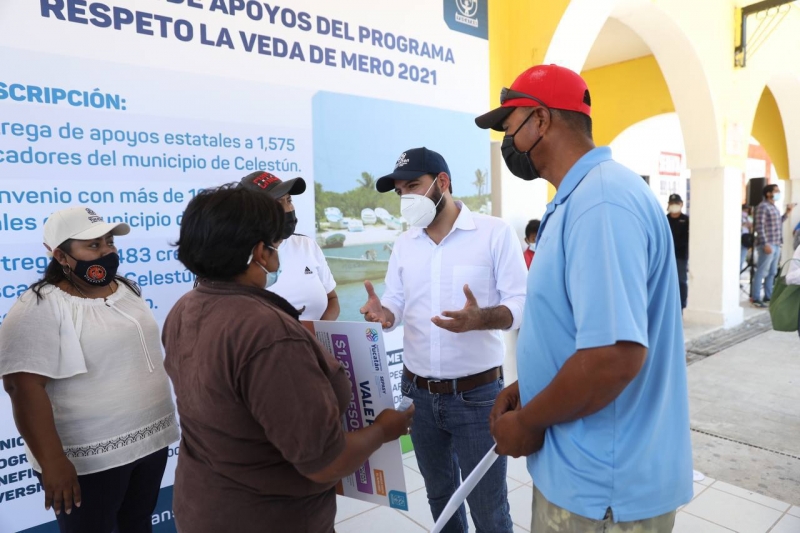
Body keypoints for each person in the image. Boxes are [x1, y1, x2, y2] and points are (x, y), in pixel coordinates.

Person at [476, 64, 691, 532]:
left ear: (541, 120)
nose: (506, 142)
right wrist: (529, 387)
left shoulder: (601, 203)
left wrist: (530, 420)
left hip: (604, 491)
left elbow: (613, 357)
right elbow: (578, 332)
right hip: (586, 473)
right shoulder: (580, 199)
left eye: (508, 127)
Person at [161, 184, 413, 533]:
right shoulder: (268, 334)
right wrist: (384, 430)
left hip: (204, 505)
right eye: (273, 242)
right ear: (261, 254)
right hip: (268, 516)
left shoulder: (185, 308)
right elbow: (324, 462)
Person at [360, 147, 527, 533]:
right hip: (417, 395)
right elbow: (397, 301)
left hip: (477, 396)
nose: (407, 199)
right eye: (400, 192)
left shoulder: (494, 233)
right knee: (441, 498)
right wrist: (385, 313)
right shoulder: (405, 244)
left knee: (488, 506)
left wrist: (482, 318)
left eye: (414, 186)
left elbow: (521, 303)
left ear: (442, 183)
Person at [0, 206, 179, 533]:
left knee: (137, 526)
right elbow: (22, 387)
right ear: (61, 255)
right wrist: (53, 462)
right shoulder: (39, 306)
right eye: (93, 245)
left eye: (109, 241)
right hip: (89, 461)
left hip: (150, 442)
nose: (107, 251)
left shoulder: (125, 290)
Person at [238, 171, 339, 320]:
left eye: (289, 200)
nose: (289, 209)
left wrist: (316, 337)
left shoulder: (307, 245)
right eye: (279, 202)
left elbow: (332, 299)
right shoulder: (237, 259)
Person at [752, 184, 794, 307]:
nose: (778, 193)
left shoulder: (774, 207)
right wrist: (765, 244)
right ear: (768, 193)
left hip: (776, 243)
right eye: (776, 191)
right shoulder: (763, 207)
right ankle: (755, 298)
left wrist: (787, 213)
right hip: (768, 244)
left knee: (772, 272)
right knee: (762, 271)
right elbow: (759, 226)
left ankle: (768, 297)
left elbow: (777, 223)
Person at [667, 194, 689, 310]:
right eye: (672, 203)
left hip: (681, 256)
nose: (674, 206)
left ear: (681, 204)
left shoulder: (686, 220)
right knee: (668, 282)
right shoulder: (665, 219)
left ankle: (681, 304)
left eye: (676, 203)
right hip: (667, 256)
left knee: (681, 281)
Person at [742, 204, 754, 271]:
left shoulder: (749, 217)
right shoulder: (741, 216)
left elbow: (752, 226)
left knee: (742, 258)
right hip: (742, 238)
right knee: (741, 258)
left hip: (746, 239)